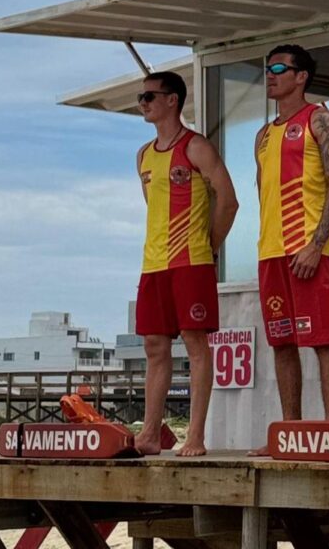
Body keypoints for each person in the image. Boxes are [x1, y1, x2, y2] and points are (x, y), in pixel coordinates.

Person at [134, 70, 238, 456]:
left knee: (196, 344)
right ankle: (148, 433)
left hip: (190, 261)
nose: (143, 103)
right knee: (154, 346)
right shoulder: (143, 155)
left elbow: (228, 200)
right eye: (141, 98)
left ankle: (196, 435)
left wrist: (209, 246)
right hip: (153, 263)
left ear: (172, 100)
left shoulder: (196, 147)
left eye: (150, 97)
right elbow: (154, 207)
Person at [251, 44, 329, 452]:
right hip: (270, 253)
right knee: (282, 343)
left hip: (307, 249)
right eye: (267, 68)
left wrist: (316, 243)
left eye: (278, 67)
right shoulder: (263, 134)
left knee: (324, 340)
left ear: (301, 76)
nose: (270, 74)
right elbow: (262, 192)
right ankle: (290, 433)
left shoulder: (320, 119)